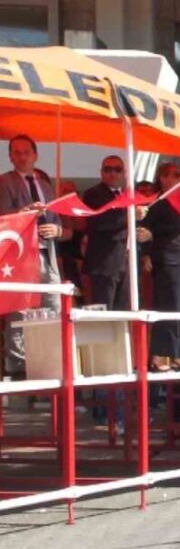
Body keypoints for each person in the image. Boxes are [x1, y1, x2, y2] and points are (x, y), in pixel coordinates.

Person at [0, 135, 67, 376]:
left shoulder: (45, 185)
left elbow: (57, 220)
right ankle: (17, 367)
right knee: (21, 309)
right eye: (16, 152)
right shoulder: (4, 182)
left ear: (35, 155)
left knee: (53, 306)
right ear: (10, 156)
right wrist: (23, 213)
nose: (21, 156)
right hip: (21, 255)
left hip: (46, 253)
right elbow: (3, 217)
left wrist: (57, 230)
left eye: (26, 151)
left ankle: (49, 363)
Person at [141, 163, 180, 372]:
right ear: (162, 178)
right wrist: (146, 252)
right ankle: (159, 355)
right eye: (170, 175)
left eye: (178, 174)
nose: (174, 178)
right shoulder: (156, 202)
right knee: (169, 306)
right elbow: (145, 228)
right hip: (168, 258)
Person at [82, 155, 149, 311]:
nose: (112, 173)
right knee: (105, 311)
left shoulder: (128, 194)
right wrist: (130, 216)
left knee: (124, 310)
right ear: (101, 172)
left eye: (117, 170)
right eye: (108, 169)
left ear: (124, 173)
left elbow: (132, 224)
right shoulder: (93, 194)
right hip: (105, 262)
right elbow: (99, 223)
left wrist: (142, 232)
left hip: (127, 260)